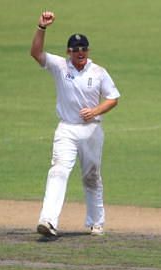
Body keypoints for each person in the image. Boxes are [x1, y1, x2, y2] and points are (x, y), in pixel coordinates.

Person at [30, 10, 120, 237]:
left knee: (91, 176)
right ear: (68, 52)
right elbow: (36, 52)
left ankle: (96, 222)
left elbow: (113, 98)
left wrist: (95, 111)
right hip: (67, 129)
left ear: (87, 51)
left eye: (84, 49)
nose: (80, 53)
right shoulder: (60, 66)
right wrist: (42, 28)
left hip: (91, 131)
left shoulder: (98, 72)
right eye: (76, 49)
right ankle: (48, 220)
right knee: (58, 171)